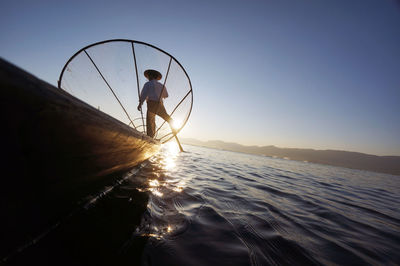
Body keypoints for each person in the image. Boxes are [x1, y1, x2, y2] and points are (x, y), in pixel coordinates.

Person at [137, 69, 174, 138]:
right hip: (160, 104)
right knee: (166, 116)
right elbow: (166, 95)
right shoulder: (161, 85)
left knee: (150, 121)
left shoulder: (148, 84)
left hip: (151, 104)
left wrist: (140, 103)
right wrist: (158, 93)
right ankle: (174, 126)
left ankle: (150, 137)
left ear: (150, 76)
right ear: (157, 77)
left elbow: (143, 94)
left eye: (148, 76)